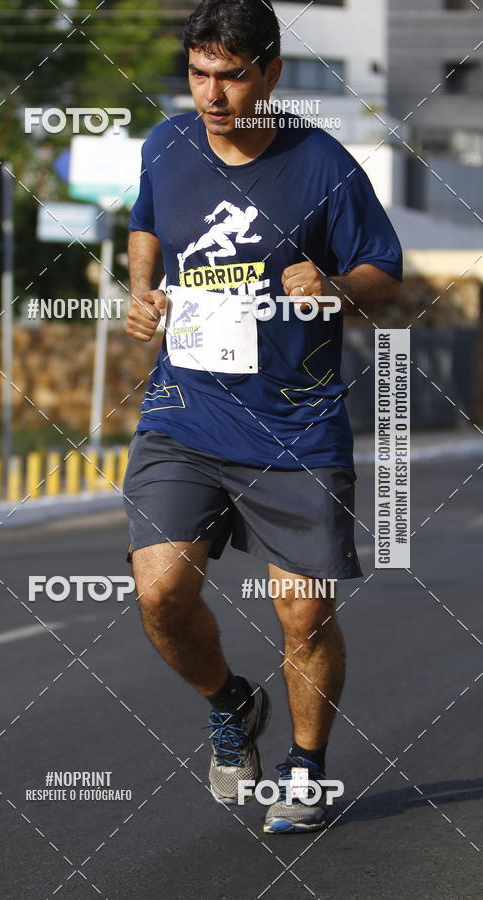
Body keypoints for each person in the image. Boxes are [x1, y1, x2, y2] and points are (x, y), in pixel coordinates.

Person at [123, 0, 402, 833]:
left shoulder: (323, 165)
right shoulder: (167, 143)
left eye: (232, 77)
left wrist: (338, 288)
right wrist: (139, 294)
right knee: (160, 592)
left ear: (271, 74)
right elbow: (144, 224)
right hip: (186, 410)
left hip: (296, 422)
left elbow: (388, 276)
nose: (212, 95)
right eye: (199, 74)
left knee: (304, 610)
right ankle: (232, 703)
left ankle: (306, 771)